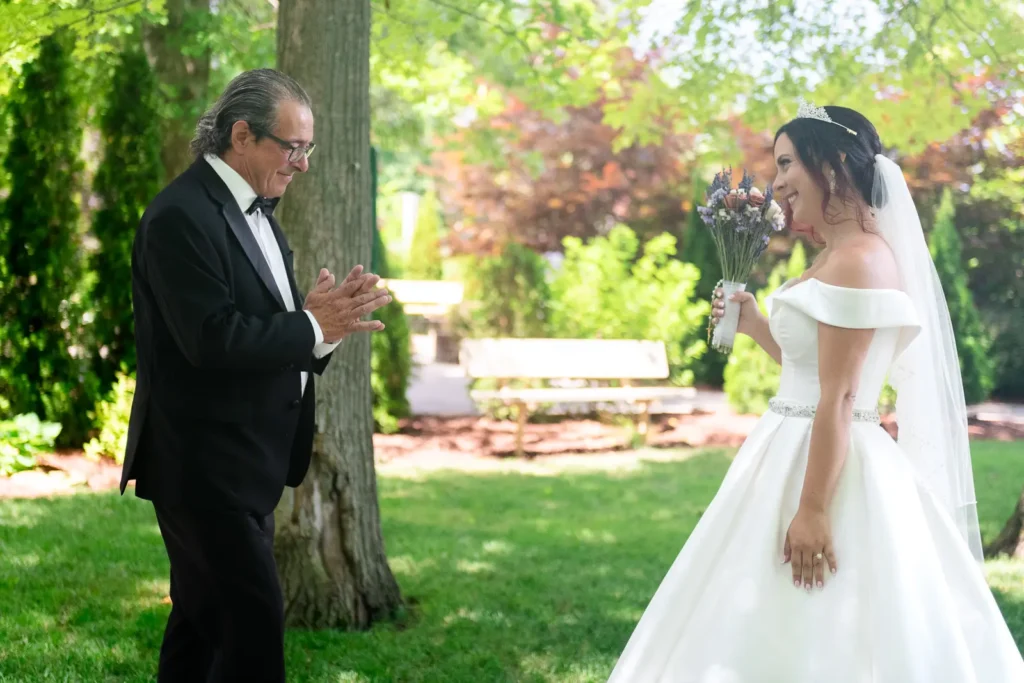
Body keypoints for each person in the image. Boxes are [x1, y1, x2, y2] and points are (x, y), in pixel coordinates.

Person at [606, 102, 1024, 682]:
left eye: (785, 163)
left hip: (828, 466)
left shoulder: (860, 261)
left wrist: (813, 510)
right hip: (787, 447)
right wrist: (754, 325)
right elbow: (813, 372)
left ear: (829, 166)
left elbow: (843, 398)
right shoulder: (835, 257)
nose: (775, 182)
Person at [119, 68, 392, 683]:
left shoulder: (260, 212)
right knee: (251, 639)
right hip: (204, 467)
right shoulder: (180, 217)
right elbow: (211, 340)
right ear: (241, 135)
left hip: (249, 463)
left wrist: (323, 329)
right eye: (291, 147)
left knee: (199, 629)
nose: (301, 163)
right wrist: (311, 326)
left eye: (308, 148)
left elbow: (271, 333)